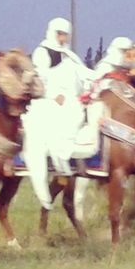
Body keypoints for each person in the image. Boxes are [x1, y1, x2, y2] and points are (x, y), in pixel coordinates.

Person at [24, 17, 89, 202]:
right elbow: (41, 78)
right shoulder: (42, 52)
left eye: (65, 35)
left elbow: (82, 75)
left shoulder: (69, 55)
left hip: (72, 100)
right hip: (47, 100)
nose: (63, 38)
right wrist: (53, 95)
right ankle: (56, 158)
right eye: (60, 34)